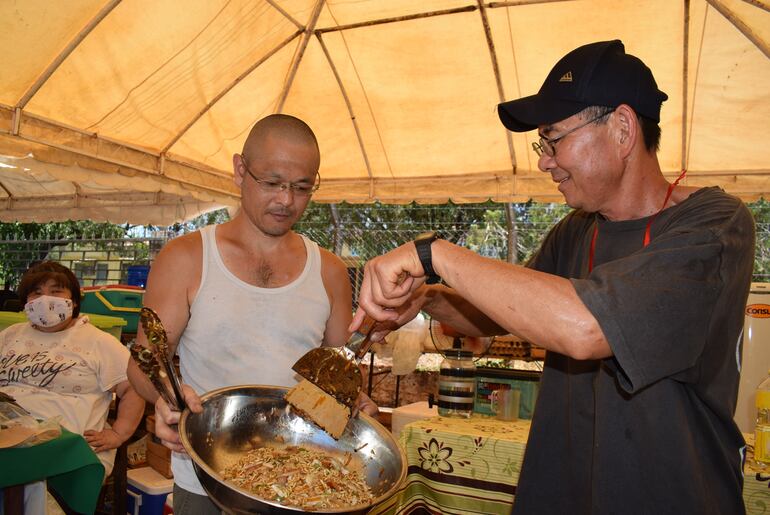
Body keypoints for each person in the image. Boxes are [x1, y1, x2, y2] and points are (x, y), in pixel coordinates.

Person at [351, 40, 755, 514]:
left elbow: (588, 327)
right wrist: (427, 299)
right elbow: (505, 315)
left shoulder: (714, 225)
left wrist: (433, 254)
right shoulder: (577, 230)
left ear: (623, 128)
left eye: (554, 138)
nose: (544, 160)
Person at [127, 113, 377, 514]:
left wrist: (355, 402)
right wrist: (166, 397)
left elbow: (330, 377)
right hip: (208, 476)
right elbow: (142, 364)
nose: (286, 201)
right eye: (272, 183)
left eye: (301, 187)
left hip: (303, 481)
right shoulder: (187, 258)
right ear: (240, 169)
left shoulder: (328, 271)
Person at [0, 261, 145, 513]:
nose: (45, 299)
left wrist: (119, 433)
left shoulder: (98, 341)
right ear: (25, 301)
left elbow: (134, 387)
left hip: (64, 449)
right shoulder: (10, 335)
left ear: (74, 300)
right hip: (8, 436)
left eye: (56, 291)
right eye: (36, 292)